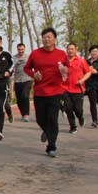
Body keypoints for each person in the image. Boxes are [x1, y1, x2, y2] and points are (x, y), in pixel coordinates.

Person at [23, 28, 69, 158]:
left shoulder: (61, 54)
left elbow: (68, 68)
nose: (46, 39)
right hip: (40, 91)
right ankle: (47, 131)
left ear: (55, 39)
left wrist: (64, 70)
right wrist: (34, 75)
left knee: (53, 119)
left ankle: (51, 146)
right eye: (44, 37)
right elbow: (27, 68)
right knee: (40, 119)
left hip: (55, 91)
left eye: (49, 37)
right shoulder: (35, 54)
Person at [62, 43, 91, 135]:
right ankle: (73, 126)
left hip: (78, 89)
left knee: (78, 109)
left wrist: (82, 80)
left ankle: (80, 117)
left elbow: (88, 72)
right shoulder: (63, 61)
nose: (70, 51)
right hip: (65, 88)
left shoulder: (81, 61)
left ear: (76, 50)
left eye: (72, 49)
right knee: (68, 109)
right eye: (68, 49)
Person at [13, 43, 32, 122]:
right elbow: (11, 67)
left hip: (27, 79)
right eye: (19, 49)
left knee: (25, 96)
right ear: (17, 49)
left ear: (24, 49)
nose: (21, 51)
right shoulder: (14, 58)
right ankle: (23, 113)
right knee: (19, 99)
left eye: (22, 49)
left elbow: (33, 66)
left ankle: (26, 114)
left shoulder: (28, 57)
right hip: (17, 80)